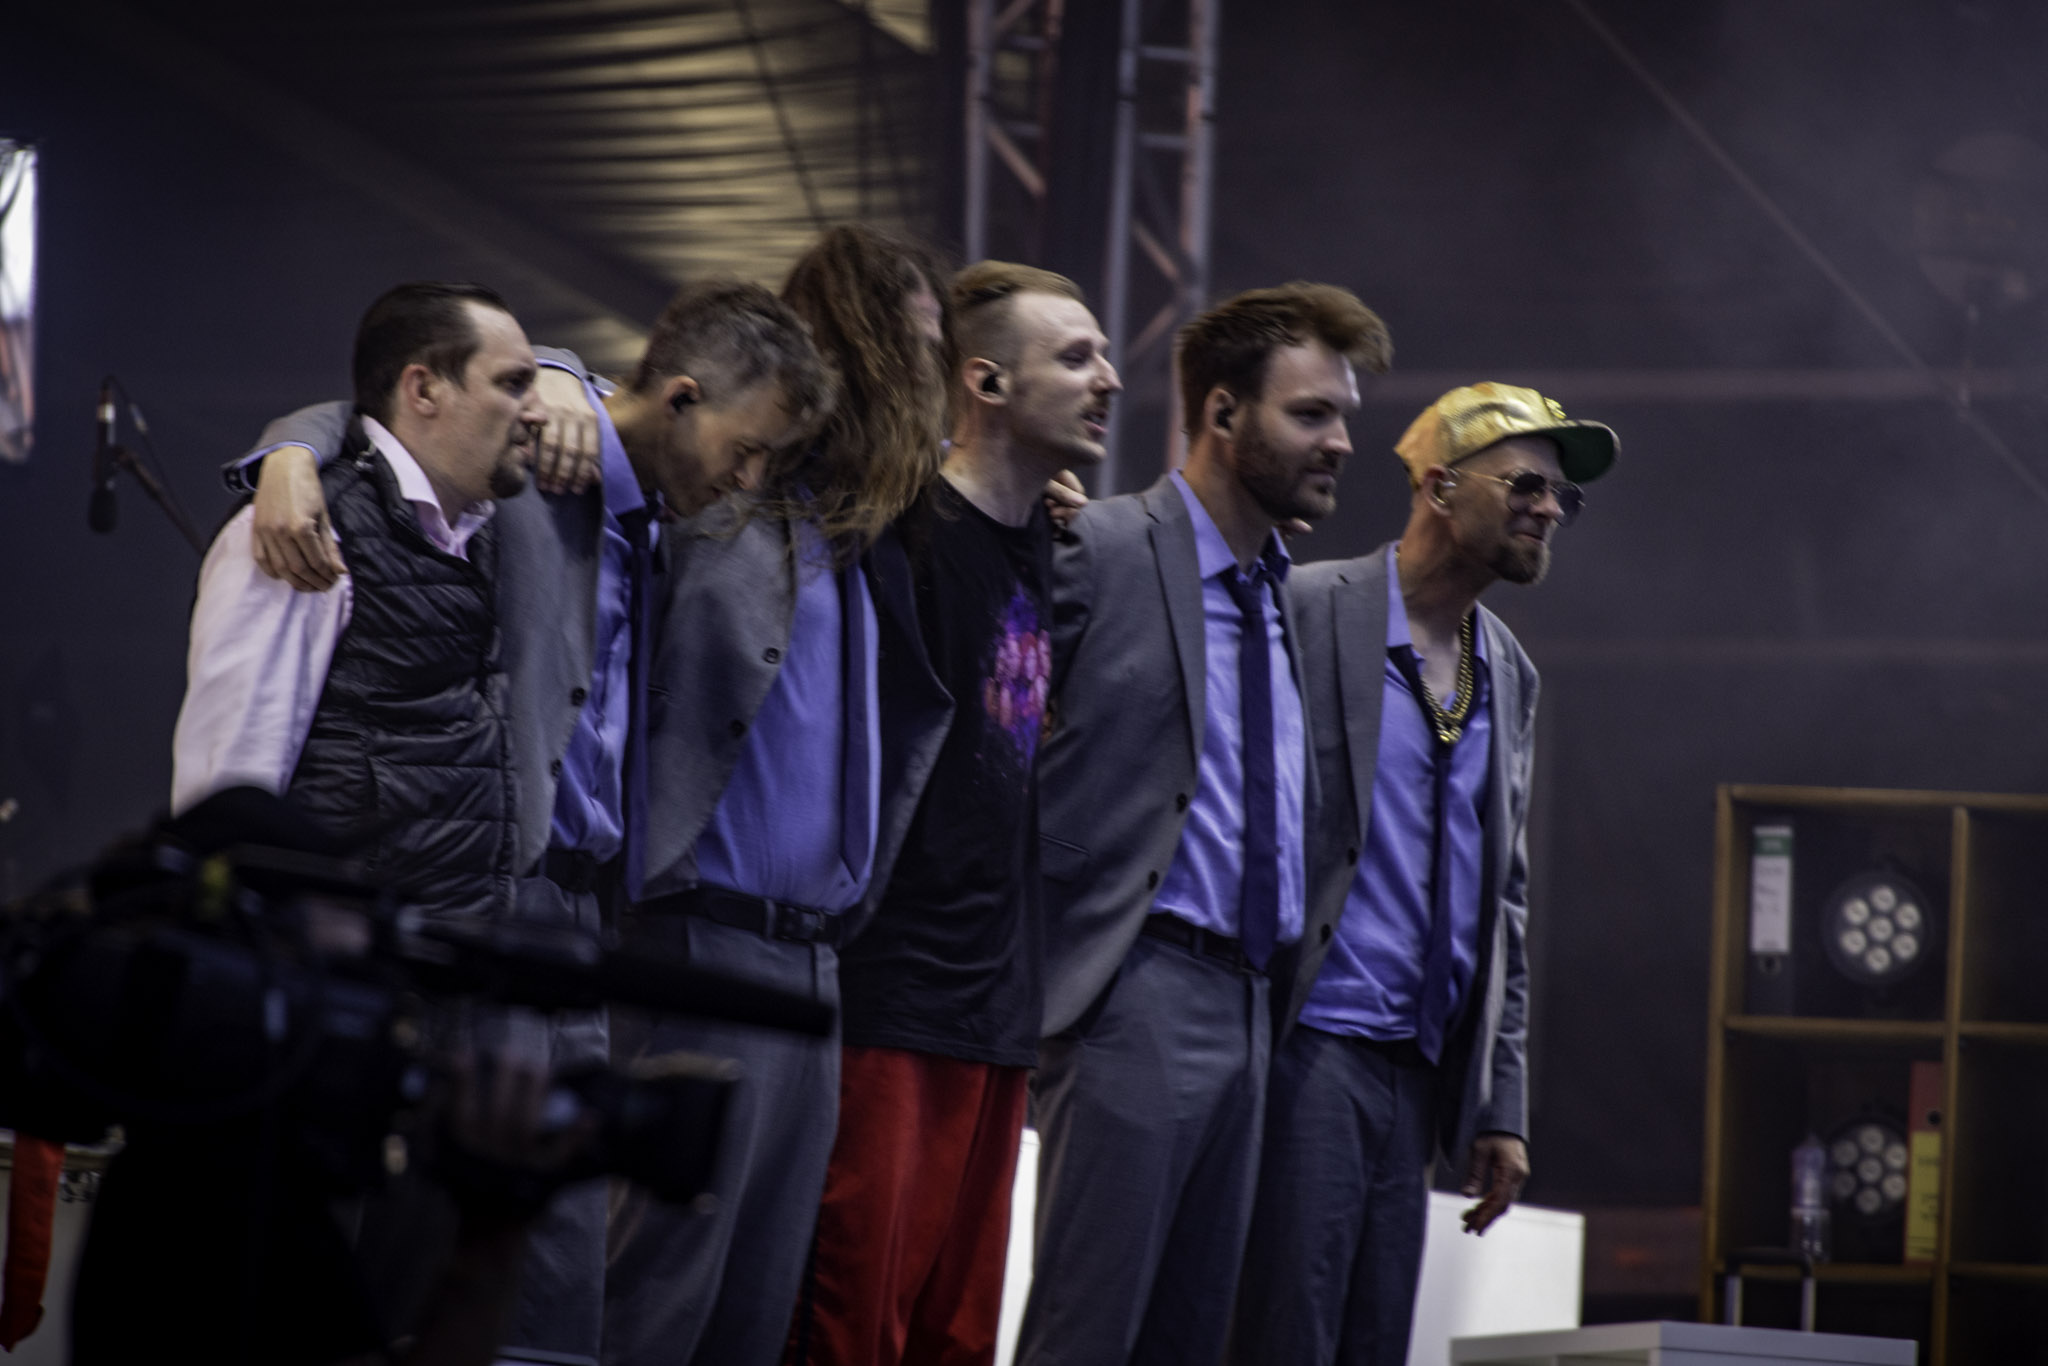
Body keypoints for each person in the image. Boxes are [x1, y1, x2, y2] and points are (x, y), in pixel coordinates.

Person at [222, 278, 834, 1366]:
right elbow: (384, 404)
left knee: (554, 1286)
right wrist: (284, 455)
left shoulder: (665, 511)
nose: (748, 481)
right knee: (444, 1260)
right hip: (487, 895)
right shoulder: (532, 449)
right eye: (745, 450)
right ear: (682, 399)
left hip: (585, 919)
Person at [1015, 283, 1392, 1366]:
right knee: (1086, 1335)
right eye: (1310, 413)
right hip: (1134, 984)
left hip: (1256, 1006)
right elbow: (987, 750)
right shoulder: (1095, 544)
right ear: (1222, 413)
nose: (1339, 441)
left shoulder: (1288, 597)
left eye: (1341, 415)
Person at [602, 224, 955, 1366]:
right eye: (921, 343)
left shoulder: (861, 536)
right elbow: (579, 403)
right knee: (653, 1296)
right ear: (860, 343)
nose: (940, 375)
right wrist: (293, 448)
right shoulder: (717, 487)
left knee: (753, 1319)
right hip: (697, 943)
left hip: (814, 967)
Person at [1229, 383, 1617, 1366]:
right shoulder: (1311, 608)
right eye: (1525, 484)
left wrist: (1498, 1104)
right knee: (1283, 1333)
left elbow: (1505, 902)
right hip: (1309, 1043)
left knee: (1372, 1342)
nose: (1547, 508)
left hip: (1418, 1072)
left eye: (1561, 496)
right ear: (1439, 488)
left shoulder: (1508, 670)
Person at [790, 261, 1119, 1366]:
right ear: (984, 381)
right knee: (847, 1327)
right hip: (889, 992)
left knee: (956, 1341)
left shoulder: (1053, 540)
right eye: (1075, 356)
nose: (1109, 378)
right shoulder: (897, 523)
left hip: (998, 1007)